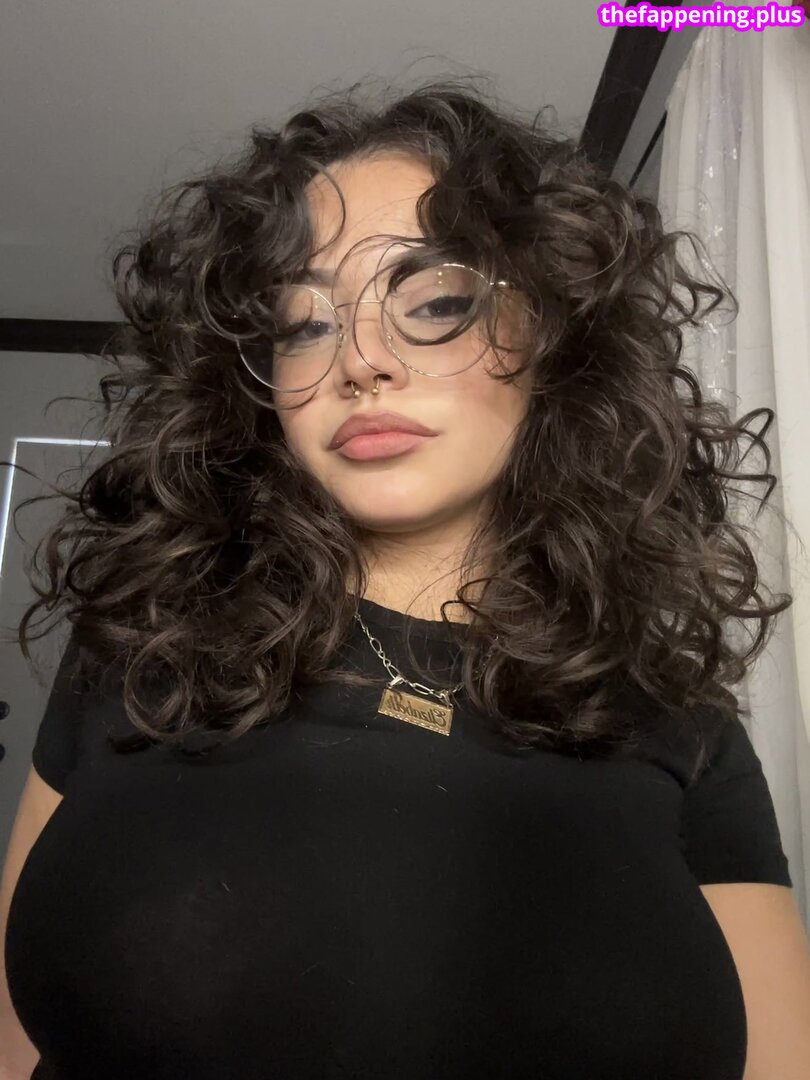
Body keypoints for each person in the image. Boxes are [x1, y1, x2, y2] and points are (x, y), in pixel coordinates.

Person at [0, 77, 805, 1080]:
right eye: (303, 323)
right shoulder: (143, 636)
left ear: (554, 340)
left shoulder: (676, 719)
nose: (361, 362)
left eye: (434, 304)